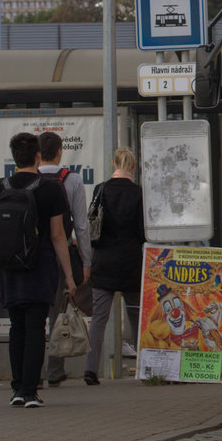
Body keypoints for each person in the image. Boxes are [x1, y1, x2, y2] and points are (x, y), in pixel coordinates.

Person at [0, 132, 76, 408]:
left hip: (9, 268)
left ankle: (16, 389)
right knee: (36, 327)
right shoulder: (51, 189)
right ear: (37, 156)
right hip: (39, 265)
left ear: (14, 157)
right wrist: (69, 275)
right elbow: (58, 235)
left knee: (17, 327)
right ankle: (30, 391)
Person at [83, 147, 146, 385]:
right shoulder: (139, 193)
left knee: (99, 318)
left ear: (113, 164)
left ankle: (90, 370)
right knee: (136, 315)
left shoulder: (101, 190)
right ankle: (145, 367)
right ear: (133, 166)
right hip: (131, 262)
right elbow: (142, 231)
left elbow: (93, 224)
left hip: (104, 261)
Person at [37, 130, 92, 386]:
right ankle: (55, 369)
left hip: (33, 255)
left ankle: (33, 370)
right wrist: (86, 261)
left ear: (38, 154)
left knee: (34, 314)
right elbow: (81, 226)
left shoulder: (30, 179)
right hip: (61, 256)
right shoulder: (72, 180)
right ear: (59, 152)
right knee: (57, 312)